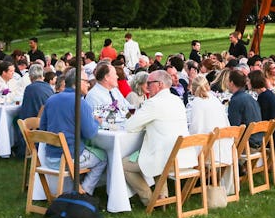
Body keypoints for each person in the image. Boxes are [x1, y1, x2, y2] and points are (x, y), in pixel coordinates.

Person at [123, 70, 193, 207]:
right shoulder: (177, 100)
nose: (147, 86)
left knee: (123, 164)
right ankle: (162, 196)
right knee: (158, 151)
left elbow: (129, 126)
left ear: (160, 84)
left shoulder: (153, 103)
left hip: (165, 158)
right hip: (183, 156)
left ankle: (149, 200)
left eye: (149, 83)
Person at [39, 67, 107, 196]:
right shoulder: (80, 103)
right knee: (103, 156)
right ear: (77, 83)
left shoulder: (51, 100)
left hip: (49, 157)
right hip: (69, 159)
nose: (88, 84)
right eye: (86, 81)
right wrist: (96, 122)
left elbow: (43, 128)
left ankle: (75, 189)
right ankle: (84, 192)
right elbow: (90, 133)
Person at [11, 63, 53, 158]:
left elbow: (26, 111)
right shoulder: (48, 87)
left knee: (15, 120)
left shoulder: (30, 88)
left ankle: (17, 148)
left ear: (30, 77)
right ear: (42, 75)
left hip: (37, 123)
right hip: (47, 120)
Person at [227, 70, 263, 147]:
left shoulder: (236, 100)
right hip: (258, 140)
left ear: (231, 83)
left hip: (247, 144)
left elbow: (234, 127)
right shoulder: (251, 98)